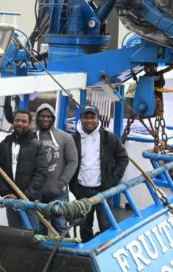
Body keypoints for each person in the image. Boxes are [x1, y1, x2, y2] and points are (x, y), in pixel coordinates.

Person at [69, 105, 129, 242]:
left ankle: (105, 250)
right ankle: (87, 252)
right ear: (81, 119)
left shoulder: (109, 138)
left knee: (105, 224)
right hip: (81, 191)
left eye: (92, 117)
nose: (89, 120)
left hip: (103, 190)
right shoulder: (73, 139)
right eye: (86, 117)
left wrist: (112, 179)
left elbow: (123, 158)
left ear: (98, 119)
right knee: (84, 227)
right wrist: (73, 186)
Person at [0, 110, 49, 231]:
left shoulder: (37, 145)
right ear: (13, 122)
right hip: (10, 200)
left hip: (29, 200)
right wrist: (7, 194)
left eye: (24, 121)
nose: (20, 123)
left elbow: (42, 173)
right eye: (17, 120)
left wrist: (25, 196)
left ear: (30, 124)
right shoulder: (5, 144)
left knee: (31, 233)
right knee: (14, 232)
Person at [35, 103, 78, 235]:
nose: (45, 119)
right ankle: (41, 255)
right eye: (42, 116)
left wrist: (60, 183)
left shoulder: (65, 137)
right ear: (37, 117)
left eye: (49, 116)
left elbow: (73, 162)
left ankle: (67, 253)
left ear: (53, 118)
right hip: (35, 193)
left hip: (58, 192)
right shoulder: (30, 136)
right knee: (38, 229)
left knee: (60, 226)